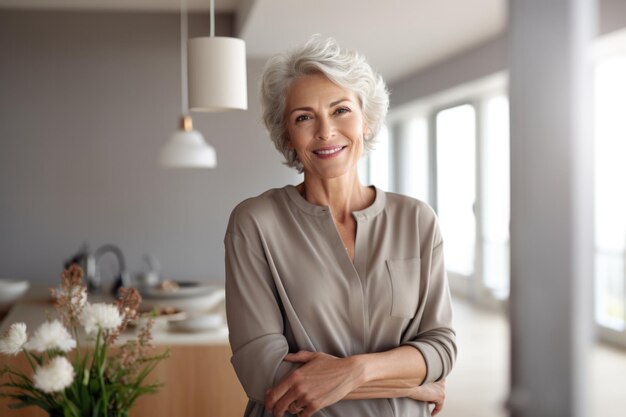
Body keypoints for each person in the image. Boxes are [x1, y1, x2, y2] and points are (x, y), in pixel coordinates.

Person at [224, 35, 456, 417]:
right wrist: (415, 380)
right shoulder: (255, 222)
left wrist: (356, 371)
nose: (326, 131)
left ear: (366, 121)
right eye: (304, 117)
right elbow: (261, 371)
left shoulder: (417, 220)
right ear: (287, 136)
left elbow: (442, 346)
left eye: (341, 110)